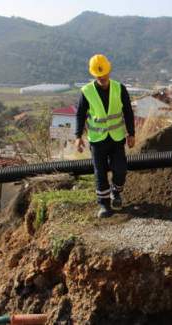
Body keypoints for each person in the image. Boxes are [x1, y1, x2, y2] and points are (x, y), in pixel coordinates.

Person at [74, 54, 135, 218]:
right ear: (93, 74)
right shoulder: (86, 91)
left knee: (120, 169)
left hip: (116, 138)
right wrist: (78, 136)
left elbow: (128, 112)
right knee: (100, 172)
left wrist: (131, 133)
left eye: (104, 73)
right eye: (98, 74)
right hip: (97, 140)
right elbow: (80, 115)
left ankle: (116, 192)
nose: (101, 77)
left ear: (109, 69)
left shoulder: (119, 88)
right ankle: (104, 205)